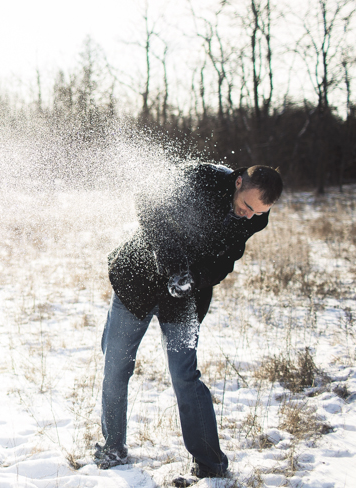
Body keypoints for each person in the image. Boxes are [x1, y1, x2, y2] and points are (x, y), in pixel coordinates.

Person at [95, 163, 282, 481]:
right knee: (116, 366)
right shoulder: (201, 177)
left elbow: (225, 259)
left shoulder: (253, 218)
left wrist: (192, 278)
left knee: (184, 375)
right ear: (238, 182)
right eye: (248, 206)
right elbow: (148, 198)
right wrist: (173, 265)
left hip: (185, 297)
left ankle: (211, 462)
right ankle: (113, 447)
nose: (249, 215)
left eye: (257, 212)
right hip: (137, 280)